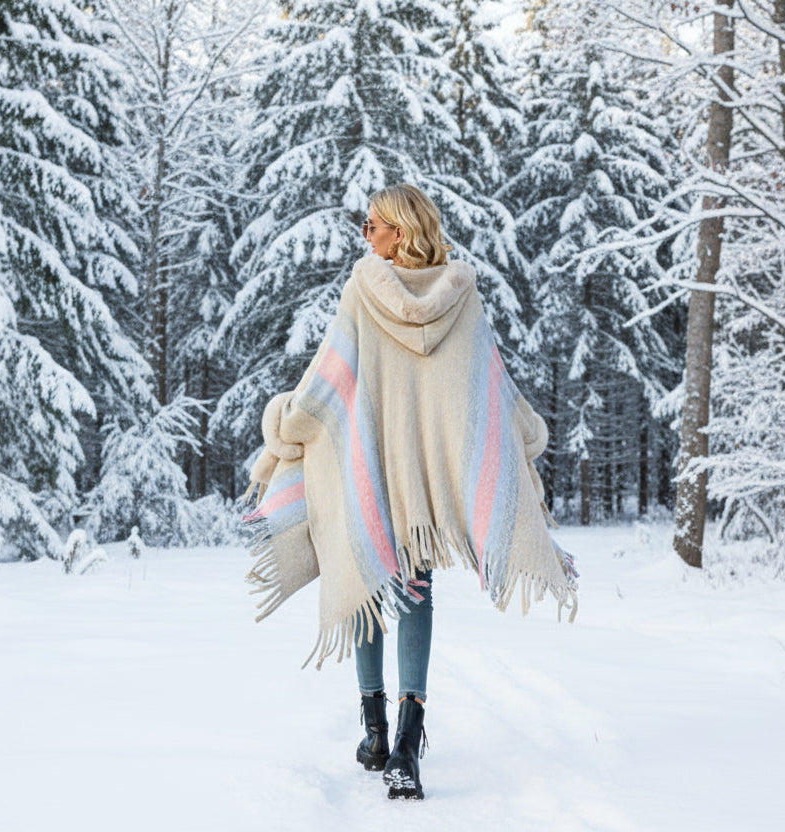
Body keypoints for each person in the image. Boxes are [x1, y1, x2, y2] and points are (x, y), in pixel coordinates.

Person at [244, 183, 577, 800]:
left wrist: (285, 424)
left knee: (367, 581)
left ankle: (376, 732)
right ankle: (405, 744)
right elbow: (488, 386)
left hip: (374, 473)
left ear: (400, 231)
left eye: (372, 224)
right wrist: (524, 432)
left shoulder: (362, 291)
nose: (364, 234)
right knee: (415, 595)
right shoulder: (462, 296)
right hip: (425, 486)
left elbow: (328, 379)